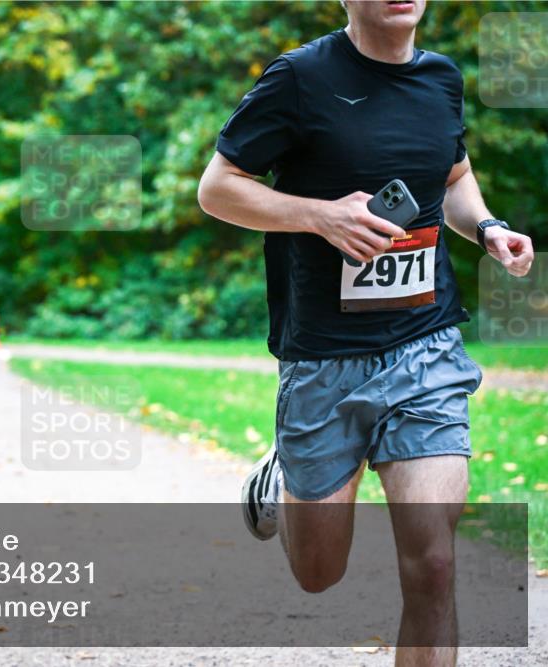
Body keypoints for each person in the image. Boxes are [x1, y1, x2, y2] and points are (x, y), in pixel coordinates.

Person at [197, 1, 534, 664]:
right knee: (318, 571)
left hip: (427, 347)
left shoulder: (442, 78)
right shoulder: (299, 79)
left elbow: (454, 176)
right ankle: (284, 477)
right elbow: (218, 188)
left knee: (434, 560)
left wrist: (488, 227)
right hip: (324, 360)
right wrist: (320, 216)